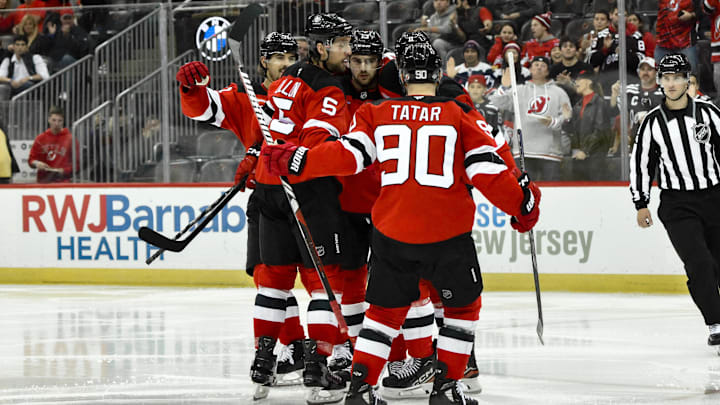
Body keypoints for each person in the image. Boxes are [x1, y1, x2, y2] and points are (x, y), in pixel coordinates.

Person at [261, 40, 541, 405]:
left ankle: (360, 390)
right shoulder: (460, 115)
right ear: (439, 75)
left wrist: (297, 158)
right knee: (461, 310)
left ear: (402, 76)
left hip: (392, 234)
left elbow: (347, 157)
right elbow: (489, 174)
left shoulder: (377, 113)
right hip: (447, 235)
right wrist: (523, 205)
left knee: (381, 316)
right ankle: (446, 388)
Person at [175, 33, 308, 387]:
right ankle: (296, 347)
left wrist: (256, 152)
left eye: (291, 56)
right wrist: (193, 88)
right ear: (264, 62)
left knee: (325, 283)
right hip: (266, 198)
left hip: (310, 197)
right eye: (278, 57)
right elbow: (203, 109)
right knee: (268, 278)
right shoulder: (244, 97)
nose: (286, 63)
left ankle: (341, 352)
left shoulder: (307, 92)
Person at [251, 13, 353, 401]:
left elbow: (276, 128)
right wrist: (297, 154)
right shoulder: (328, 88)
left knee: (273, 282)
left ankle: (263, 364)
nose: (348, 52)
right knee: (324, 285)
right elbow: (315, 140)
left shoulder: (288, 75)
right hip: (304, 190)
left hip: (267, 185)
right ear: (323, 46)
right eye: (342, 44)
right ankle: (318, 367)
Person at [629, 53, 720, 350]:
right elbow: (641, 165)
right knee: (700, 263)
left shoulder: (709, 114)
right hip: (678, 205)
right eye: (665, 78)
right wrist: (640, 202)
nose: (670, 83)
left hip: (715, 197)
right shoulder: (652, 123)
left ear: (687, 79)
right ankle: (715, 322)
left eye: (676, 77)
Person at [490, 55, 572, 180]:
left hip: (550, 152)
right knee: (525, 193)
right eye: (536, 65)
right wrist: (504, 87)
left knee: (554, 193)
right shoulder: (520, 90)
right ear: (530, 69)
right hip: (524, 151)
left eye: (543, 66)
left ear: (547, 71)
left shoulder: (558, 92)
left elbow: (568, 116)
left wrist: (554, 122)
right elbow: (496, 102)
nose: (539, 68)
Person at [562, 69, 612, 180]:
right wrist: (567, 119)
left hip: (595, 158)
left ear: (589, 82)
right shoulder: (578, 105)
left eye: (579, 80)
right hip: (580, 156)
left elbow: (600, 131)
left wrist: (585, 151)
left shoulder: (599, 102)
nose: (576, 83)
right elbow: (571, 131)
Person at [609, 57, 663, 153]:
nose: (645, 72)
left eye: (649, 69)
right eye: (642, 69)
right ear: (638, 72)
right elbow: (614, 114)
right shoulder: (628, 91)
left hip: (659, 141)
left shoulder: (664, 92)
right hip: (635, 142)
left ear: (656, 72)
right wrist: (614, 94)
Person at [28, 106, 78, 183]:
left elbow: (76, 164)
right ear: (49, 120)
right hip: (43, 182)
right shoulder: (40, 139)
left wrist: (64, 170)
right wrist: (37, 163)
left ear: (63, 121)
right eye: (54, 120)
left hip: (63, 182)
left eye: (59, 121)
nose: (56, 123)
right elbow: (31, 160)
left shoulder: (71, 139)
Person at [32, 8, 90, 72]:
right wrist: (51, 35)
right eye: (65, 18)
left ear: (73, 18)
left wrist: (67, 36)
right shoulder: (56, 30)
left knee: (66, 59)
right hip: (55, 59)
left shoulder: (79, 31)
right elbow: (46, 48)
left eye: (69, 18)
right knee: (44, 61)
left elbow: (81, 49)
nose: (67, 21)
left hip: (75, 61)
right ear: (61, 19)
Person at [0, 34, 49, 99]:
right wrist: (10, 81)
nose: (20, 47)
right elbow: (0, 76)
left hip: (30, 86)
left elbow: (45, 76)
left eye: (23, 45)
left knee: (28, 85)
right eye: (17, 45)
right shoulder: (8, 60)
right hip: (13, 87)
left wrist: (28, 78)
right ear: (13, 47)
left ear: (26, 47)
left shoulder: (35, 58)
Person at [656, 0, 698, 72]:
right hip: (662, 43)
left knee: (690, 77)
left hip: (685, 43)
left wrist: (691, 15)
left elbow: (704, 12)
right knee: (660, 77)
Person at [0, 118, 19, 183]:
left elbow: (7, 148)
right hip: (5, 171)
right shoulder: (2, 131)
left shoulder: (2, 131)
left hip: (5, 171)